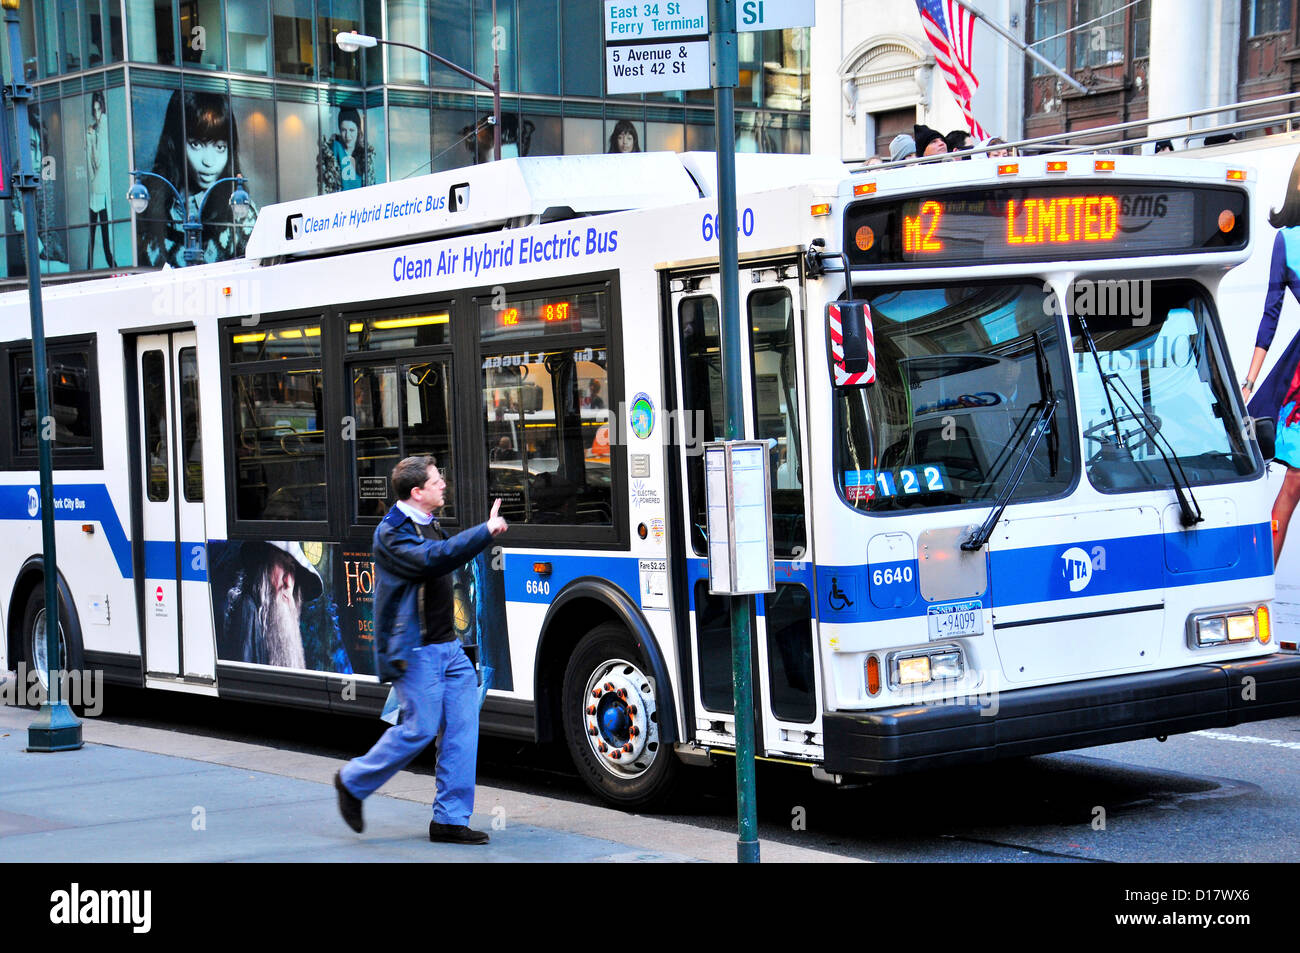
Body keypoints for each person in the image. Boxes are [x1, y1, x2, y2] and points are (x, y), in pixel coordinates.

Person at [335, 456, 508, 844]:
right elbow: (434, 560)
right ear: (417, 492)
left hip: (449, 649)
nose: (444, 484)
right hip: (416, 652)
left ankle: (449, 819)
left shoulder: (429, 524)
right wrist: (484, 531)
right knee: (419, 730)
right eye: (436, 481)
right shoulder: (392, 534)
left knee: (463, 730)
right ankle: (352, 781)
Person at [1245, 149, 1300, 560]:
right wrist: (1249, 381)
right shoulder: (1289, 239)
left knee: (1292, 486)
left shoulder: (1288, 241)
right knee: (1293, 485)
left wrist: (1250, 382)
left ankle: (1258, 572)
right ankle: (1258, 574)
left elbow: (1271, 315)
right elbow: (1271, 316)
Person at [138, 90, 255, 267]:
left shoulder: (241, 211)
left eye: (220, 147)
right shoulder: (149, 206)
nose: (208, 161)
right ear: (176, 144)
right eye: (196, 144)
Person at [218, 541, 322, 669]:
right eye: (283, 565)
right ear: (265, 566)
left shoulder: (270, 622)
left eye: (292, 570)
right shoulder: (248, 610)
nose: (288, 582)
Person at [317, 106, 375, 193]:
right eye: (344, 130)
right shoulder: (335, 148)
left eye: (352, 130)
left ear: (358, 131)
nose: (347, 136)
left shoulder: (365, 155)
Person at [86, 91, 115, 268]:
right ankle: (105, 266)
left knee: (100, 234)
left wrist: (90, 139)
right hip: (97, 187)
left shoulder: (102, 125)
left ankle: (112, 266)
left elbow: (97, 159)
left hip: (101, 187)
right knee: (96, 232)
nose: (97, 113)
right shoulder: (97, 127)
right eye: (95, 109)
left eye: (99, 109)